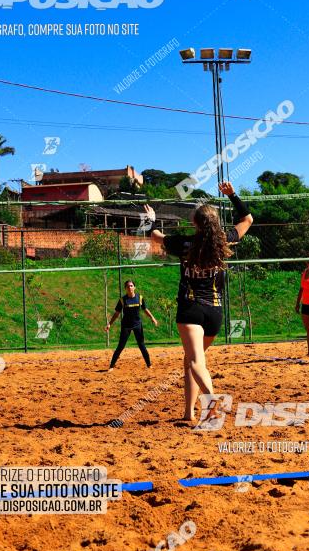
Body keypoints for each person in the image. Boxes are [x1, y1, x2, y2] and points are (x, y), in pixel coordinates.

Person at [145, 182, 253, 426]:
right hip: (215, 311)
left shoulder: (185, 244)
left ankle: (212, 404)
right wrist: (233, 195)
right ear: (214, 223)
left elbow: (155, 236)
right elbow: (248, 219)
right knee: (192, 361)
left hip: (191, 308)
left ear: (195, 223)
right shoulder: (225, 241)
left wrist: (152, 219)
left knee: (195, 362)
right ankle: (188, 413)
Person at [105, 280, 157, 370]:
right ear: (125, 288)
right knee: (121, 346)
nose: (130, 287)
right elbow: (117, 313)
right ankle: (111, 366)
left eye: (131, 286)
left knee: (141, 345)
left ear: (134, 287)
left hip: (137, 324)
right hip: (126, 325)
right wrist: (109, 324)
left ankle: (149, 365)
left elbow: (145, 309)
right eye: (128, 286)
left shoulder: (139, 298)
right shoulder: (122, 300)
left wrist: (152, 318)